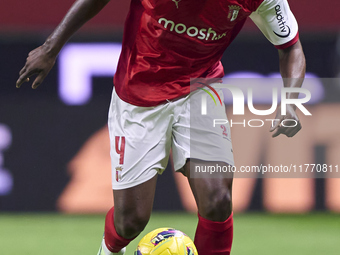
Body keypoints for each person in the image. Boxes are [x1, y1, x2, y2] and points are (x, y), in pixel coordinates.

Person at [16, 0, 306, 254]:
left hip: (199, 87)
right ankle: (109, 249)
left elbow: (291, 48)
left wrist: (290, 102)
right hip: (139, 94)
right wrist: (50, 47)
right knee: (130, 221)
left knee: (218, 198)